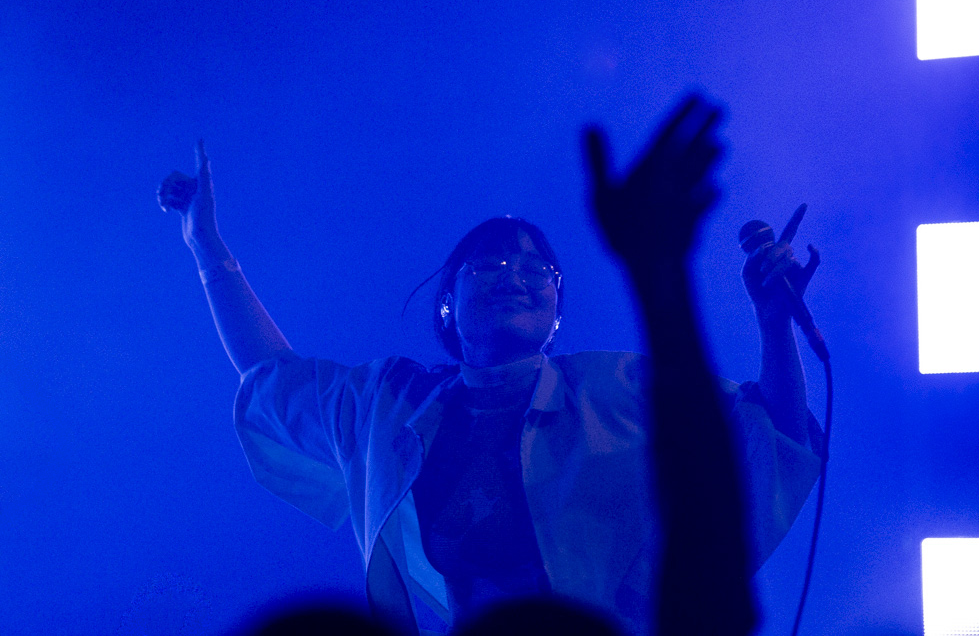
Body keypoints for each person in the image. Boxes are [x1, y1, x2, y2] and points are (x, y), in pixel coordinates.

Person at [158, 96, 822, 636]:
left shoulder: (612, 387)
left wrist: (771, 324)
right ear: (447, 303)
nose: (517, 276)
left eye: (538, 268)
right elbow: (274, 378)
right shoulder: (390, 408)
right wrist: (206, 246)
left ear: (556, 309)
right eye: (492, 263)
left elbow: (769, 436)